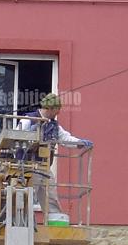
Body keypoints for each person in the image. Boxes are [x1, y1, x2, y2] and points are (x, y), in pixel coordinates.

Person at [16, 92, 92, 220]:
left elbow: (65, 138)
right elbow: (17, 139)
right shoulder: (28, 120)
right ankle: (21, 222)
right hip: (28, 166)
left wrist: (79, 143)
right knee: (25, 196)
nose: (58, 114)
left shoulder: (53, 125)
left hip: (44, 167)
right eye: (57, 111)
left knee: (50, 197)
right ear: (50, 108)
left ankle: (55, 222)